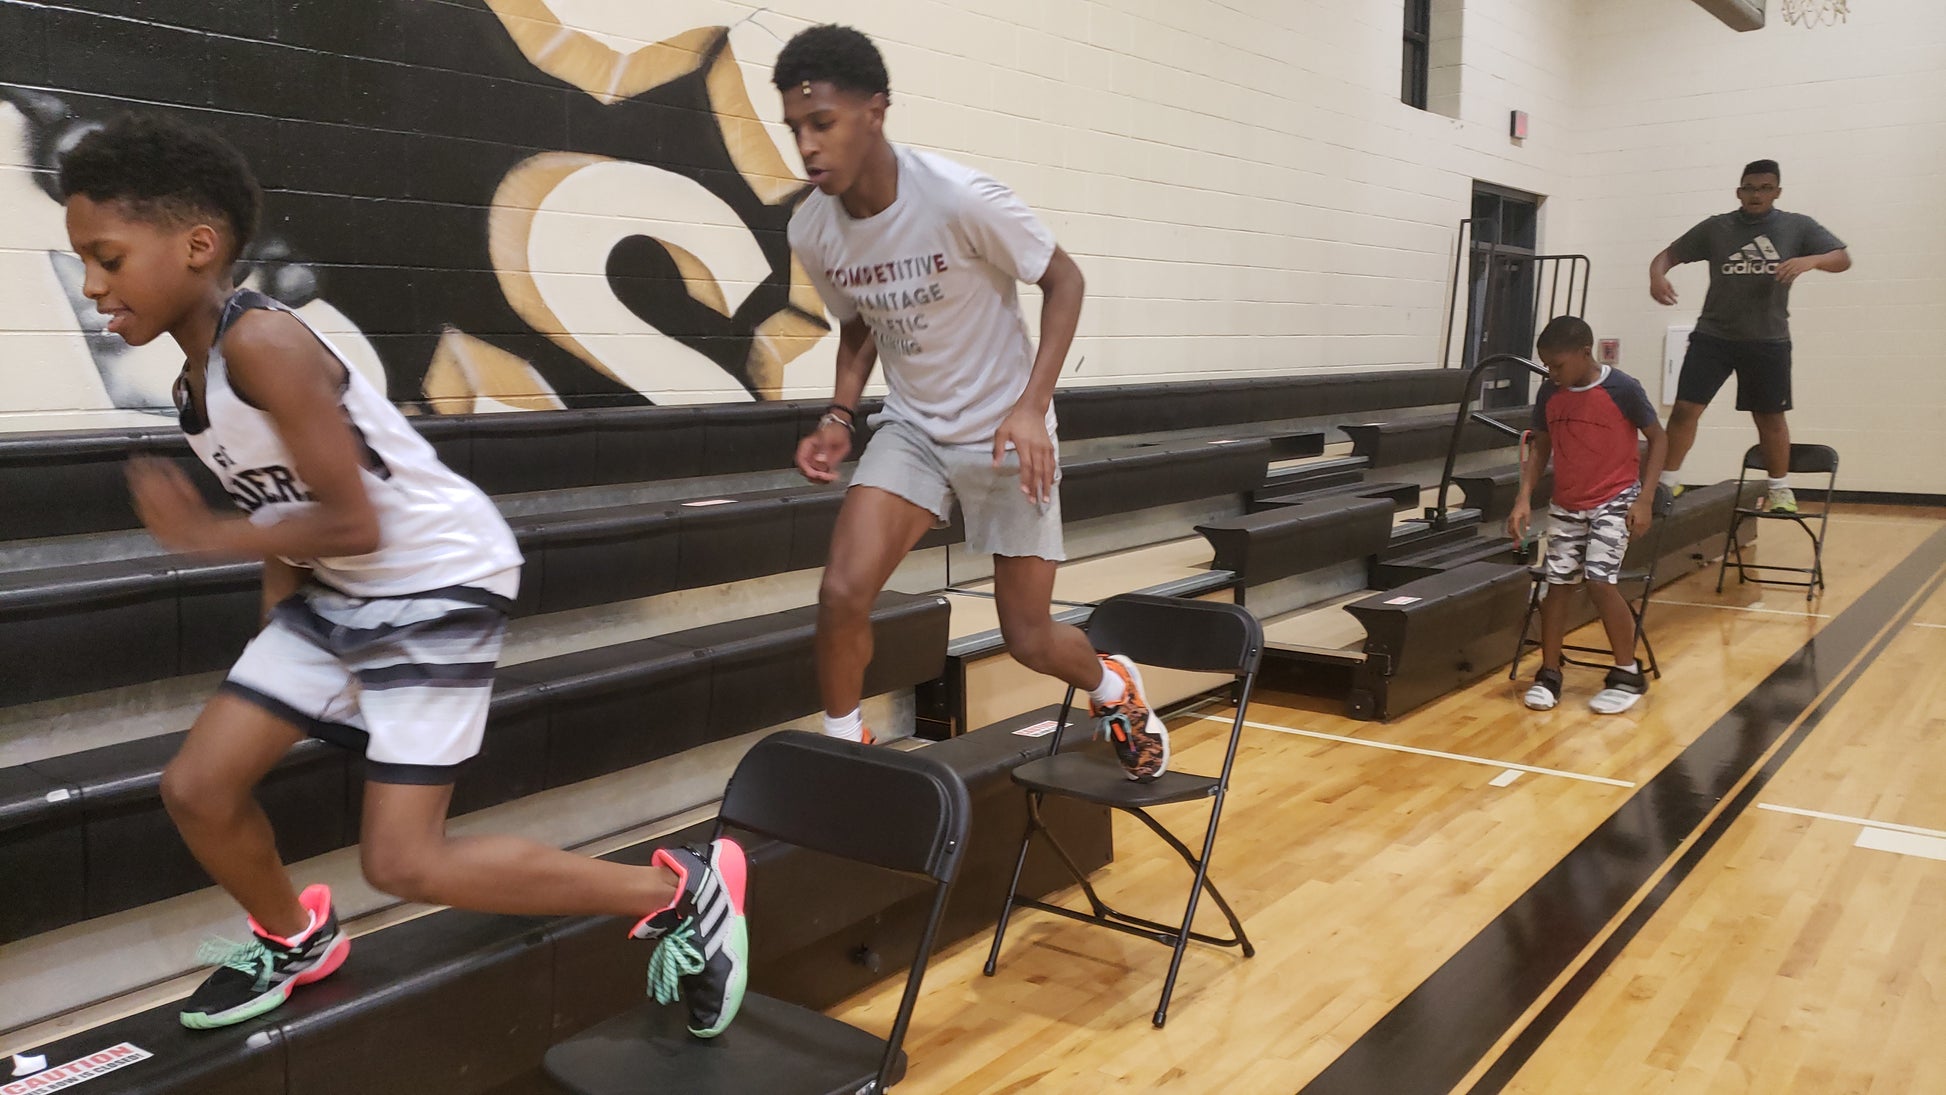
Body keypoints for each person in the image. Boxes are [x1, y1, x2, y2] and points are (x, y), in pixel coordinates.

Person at [58, 113, 745, 1037]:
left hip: (436, 577)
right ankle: (296, 938)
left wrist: (200, 536)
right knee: (199, 788)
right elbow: (286, 520)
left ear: (197, 245)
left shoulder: (263, 344)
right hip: (340, 587)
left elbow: (354, 518)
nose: (92, 285)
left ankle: (678, 893)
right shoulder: (195, 386)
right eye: (86, 262)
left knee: (405, 862)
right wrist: (275, 639)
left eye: (107, 258)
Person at [774, 25, 1169, 778]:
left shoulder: (957, 198)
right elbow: (858, 324)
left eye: (822, 123)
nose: (807, 146)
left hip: (1004, 429)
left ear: (874, 112)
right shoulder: (812, 228)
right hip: (914, 428)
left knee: (1028, 636)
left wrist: (1031, 406)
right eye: (795, 128)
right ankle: (846, 750)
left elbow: (1065, 280)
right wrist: (838, 413)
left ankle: (1111, 685)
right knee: (842, 591)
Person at [1649, 158, 1850, 513]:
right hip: (1713, 336)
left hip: (1767, 339)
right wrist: (1657, 277)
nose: (1756, 195)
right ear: (1739, 192)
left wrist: (1812, 261)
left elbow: (1842, 258)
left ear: (1777, 192)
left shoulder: (1796, 226)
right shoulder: (1717, 227)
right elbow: (1666, 256)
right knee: (1684, 410)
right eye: (1750, 188)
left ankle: (1780, 489)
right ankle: (1667, 482)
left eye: (1765, 188)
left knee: (1769, 417)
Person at [1507, 316, 1668, 715]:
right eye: (1547, 365)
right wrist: (1523, 498)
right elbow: (1541, 447)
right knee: (1557, 584)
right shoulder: (1550, 392)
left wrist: (1645, 499)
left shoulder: (1623, 389)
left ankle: (1627, 673)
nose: (1552, 373)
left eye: (1558, 365)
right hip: (1567, 503)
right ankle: (1549, 672)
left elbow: (1659, 438)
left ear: (1584, 353)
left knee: (1599, 579)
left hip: (1614, 499)